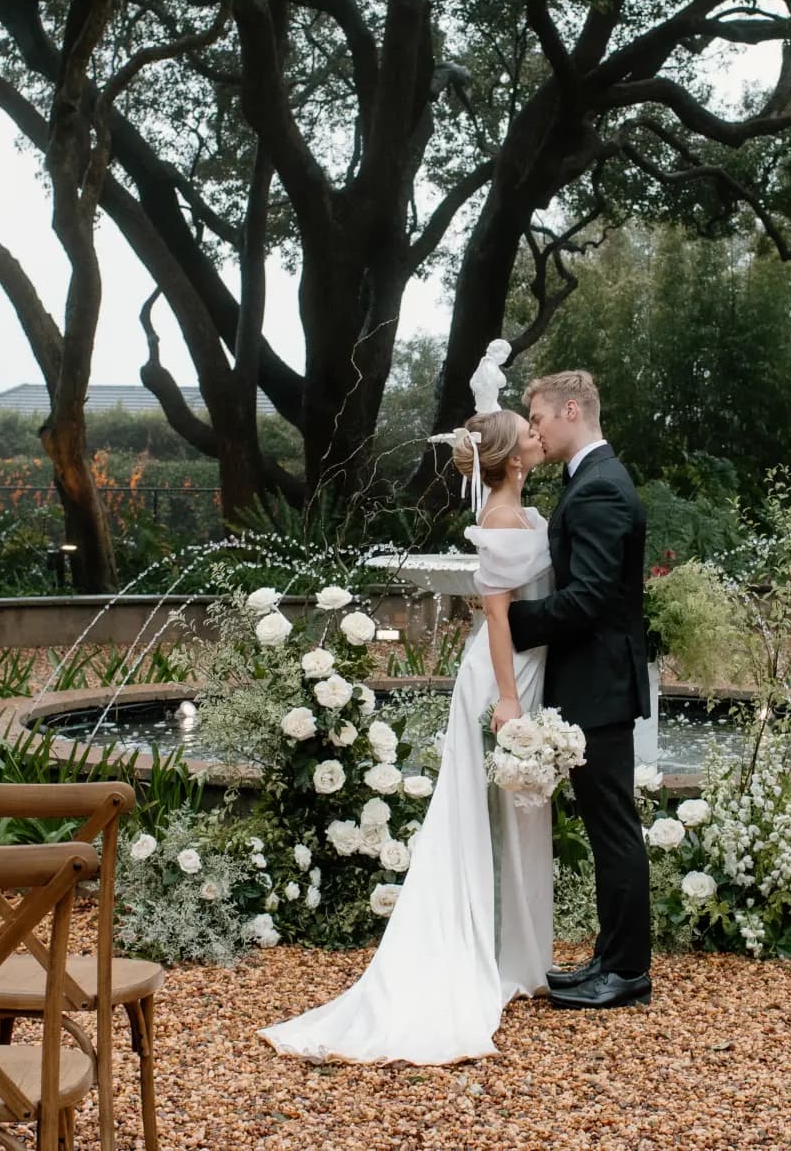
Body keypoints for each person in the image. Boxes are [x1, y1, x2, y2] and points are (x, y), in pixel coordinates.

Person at [261, 405, 552, 1064]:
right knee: (478, 817)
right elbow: (500, 618)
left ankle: (520, 951)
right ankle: (476, 945)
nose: (538, 434)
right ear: (511, 459)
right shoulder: (501, 521)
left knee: (515, 813)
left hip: (527, 671)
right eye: (528, 430)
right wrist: (508, 700)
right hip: (503, 678)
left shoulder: (524, 514)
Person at [504, 369, 652, 1010]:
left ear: (572, 409)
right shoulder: (591, 481)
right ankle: (609, 958)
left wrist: (511, 620)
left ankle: (626, 973)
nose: (533, 429)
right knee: (605, 825)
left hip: (598, 684)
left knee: (614, 828)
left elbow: (589, 597)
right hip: (596, 682)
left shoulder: (599, 491)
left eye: (537, 418)